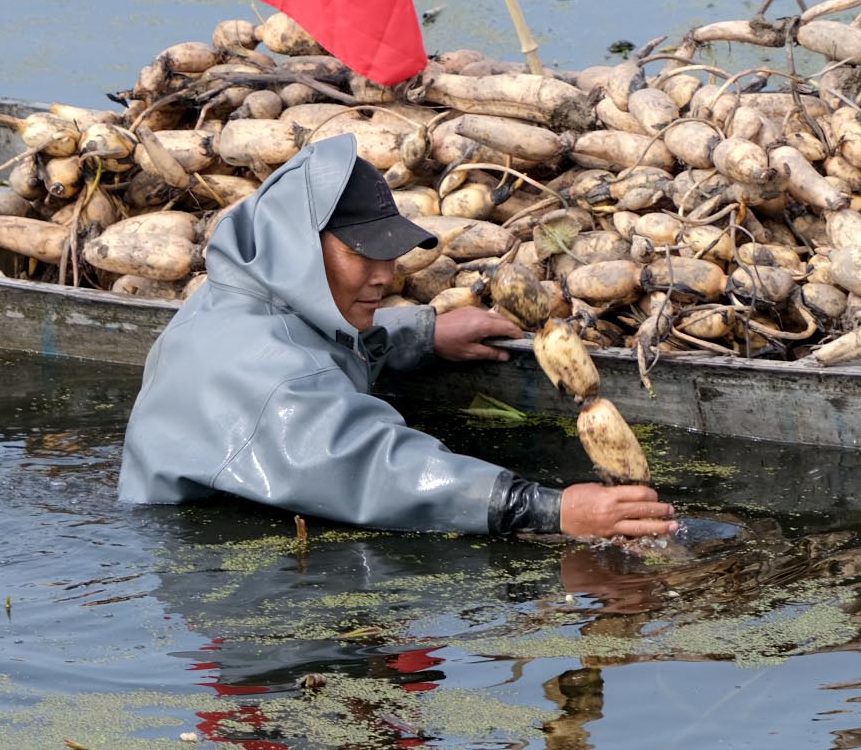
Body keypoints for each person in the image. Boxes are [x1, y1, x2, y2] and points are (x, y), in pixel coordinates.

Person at [119, 135, 679, 538]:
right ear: (298, 248)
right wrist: (545, 508)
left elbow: (315, 346)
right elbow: (375, 469)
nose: (384, 274)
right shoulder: (267, 374)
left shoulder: (235, 302)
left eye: (390, 253)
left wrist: (423, 333)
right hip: (207, 551)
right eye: (361, 252)